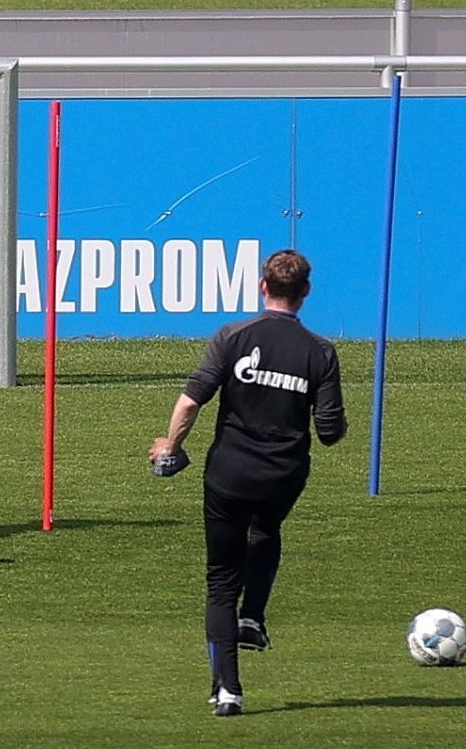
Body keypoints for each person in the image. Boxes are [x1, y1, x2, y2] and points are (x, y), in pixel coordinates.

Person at [147, 249, 347, 716]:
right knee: (267, 529)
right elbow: (330, 432)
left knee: (220, 581)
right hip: (283, 476)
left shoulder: (233, 337)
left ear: (263, 286)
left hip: (229, 474)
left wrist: (170, 448)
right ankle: (253, 615)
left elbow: (191, 402)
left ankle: (228, 691)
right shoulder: (320, 351)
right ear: (306, 293)